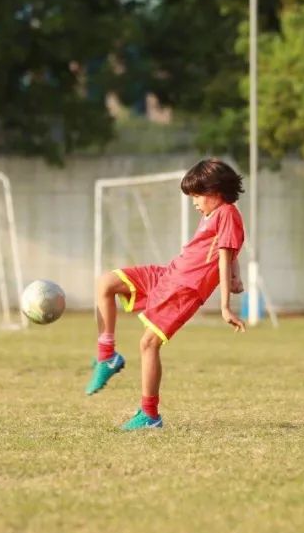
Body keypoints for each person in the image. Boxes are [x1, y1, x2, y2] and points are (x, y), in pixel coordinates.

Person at [87, 158, 247, 430]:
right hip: (169, 274)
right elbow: (229, 250)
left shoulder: (227, 212)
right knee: (106, 283)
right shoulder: (212, 214)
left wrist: (225, 306)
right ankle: (107, 355)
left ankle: (149, 415)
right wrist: (236, 276)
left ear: (216, 191)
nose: (194, 201)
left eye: (197, 195)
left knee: (148, 344)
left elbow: (224, 254)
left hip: (184, 289)